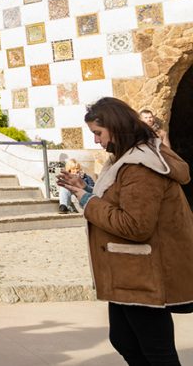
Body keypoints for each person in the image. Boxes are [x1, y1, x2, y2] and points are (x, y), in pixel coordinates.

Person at [58, 97, 193, 365]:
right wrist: (84, 189)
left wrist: (87, 201)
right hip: (130, 271)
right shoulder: (126, 160)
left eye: (98, 133)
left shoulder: (140, 166)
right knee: (125, 340)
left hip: (143, 273)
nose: (96, 141)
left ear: (115, 127)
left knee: (156, 351)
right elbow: (119, 199)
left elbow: (135, 225)